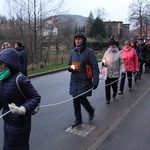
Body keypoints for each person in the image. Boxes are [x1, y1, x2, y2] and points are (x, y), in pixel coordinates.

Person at [0, 48, 41, 150]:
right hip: (8, 123)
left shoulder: (20, 79)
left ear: (9, 63)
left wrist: (22, 109)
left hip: (20, 124)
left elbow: (35, 97)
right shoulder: (2, 79)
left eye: (1, 63)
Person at [68, 32, 99, 128]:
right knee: (75, 101)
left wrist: (96, 80)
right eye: (76, 39)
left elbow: (94, 66)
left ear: (83, 40)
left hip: (84, 79)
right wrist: (70, 68)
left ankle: (91, 110)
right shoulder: (73, 52)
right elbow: (69, 64)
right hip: (74, 80)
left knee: (81, 98)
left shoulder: (88, 52)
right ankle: (78, 120)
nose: (77, 41)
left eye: (79, 39)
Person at [102, 40, 125, 104]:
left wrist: (123, 71)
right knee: (107, 86)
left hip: (115, 73)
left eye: (113, 45)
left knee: (114, 86)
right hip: (108, 73)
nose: (112, 46)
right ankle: (107, 99)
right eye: (111, 45)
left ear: (116, 45)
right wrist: (103, 63)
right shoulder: (106, 53)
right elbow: (103, 60)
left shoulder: (119, 53)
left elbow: (122, 63)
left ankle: (115, 92)